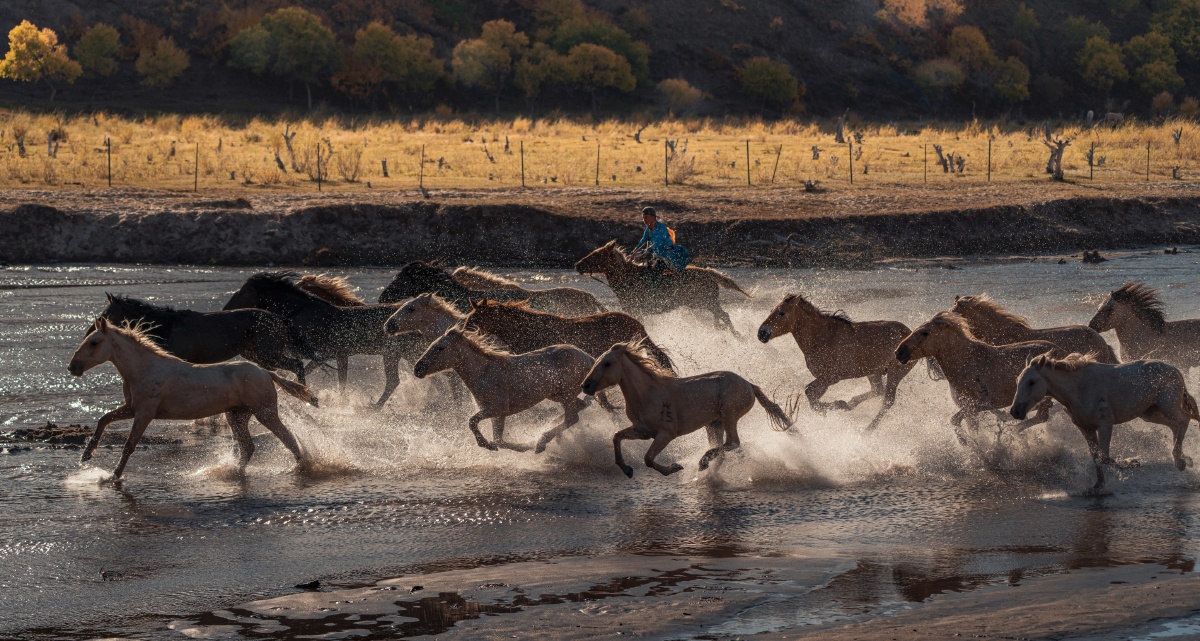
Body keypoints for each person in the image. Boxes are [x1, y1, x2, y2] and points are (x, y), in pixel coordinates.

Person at [631, 206, 690, 277]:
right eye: (643, 218)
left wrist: (648, 250)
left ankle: (659, 287)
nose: (644, 220)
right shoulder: (648, 229)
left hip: (667, 255)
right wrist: (634, 252)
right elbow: (643, 240)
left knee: (654, 273)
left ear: (653, 217)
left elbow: (658, 242)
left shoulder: (661, 227)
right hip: (656, 255)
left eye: (646, 217)